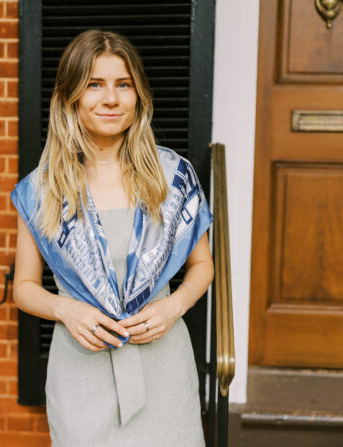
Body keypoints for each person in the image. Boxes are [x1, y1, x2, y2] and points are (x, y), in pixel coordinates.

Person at [11, 29, 214, 447]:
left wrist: (174, 306)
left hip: (164, 365)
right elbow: (24, 288)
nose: (110, 99)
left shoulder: (172, 177)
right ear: (70, 96)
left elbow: (202, 266)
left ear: (138, 94)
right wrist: (66, 309)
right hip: (81, 371)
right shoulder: (41, 190)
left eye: (123, 85)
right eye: (94, 85)